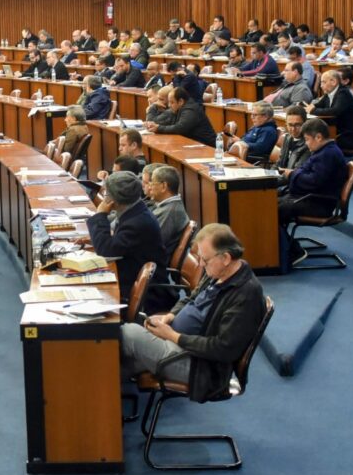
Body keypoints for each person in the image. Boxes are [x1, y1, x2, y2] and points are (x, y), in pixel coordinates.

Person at [120, 223, 267, 403]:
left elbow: (222, 348)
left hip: (200, 367)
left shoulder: (246, 294)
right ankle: (99, 414)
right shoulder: (218, 272)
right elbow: (191, 298)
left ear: (226, 258)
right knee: (116, 360)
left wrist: (174, 336)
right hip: (180, 344)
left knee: (127, 333)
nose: (202, 265)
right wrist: (170, 316)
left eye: (205, 260)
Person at [85, 172, 174, 312]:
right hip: (130, 274)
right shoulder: (135, 211)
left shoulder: (137, 223)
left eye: (107, 194)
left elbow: (106, 251)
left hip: (146, 295)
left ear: (115, 201)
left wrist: (100, 215)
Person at [278, 118, 348, 227]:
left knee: (276, 209)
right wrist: (295, 173)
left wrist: (292, 174)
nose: (306, 143)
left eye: (307, 139)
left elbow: (314, 181)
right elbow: (304, 170)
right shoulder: (323, 150)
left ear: (319, 137)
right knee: (272, 202)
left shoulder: (327, 154)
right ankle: (282, 242)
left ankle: (283, 243)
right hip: (310, 198)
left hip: (319, 203)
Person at [306, 70, 353, 152]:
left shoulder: (343, 93)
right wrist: (309, 107)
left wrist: (313, 110)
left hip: (349, 136)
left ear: (333, 82)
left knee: (316, 140)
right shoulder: (329, 93)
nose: (320, 86)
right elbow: (318, 105)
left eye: (323, 82)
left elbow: (334, 111)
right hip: (337, 132)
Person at [144, 88, 216, 147]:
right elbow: (156, 121)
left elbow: (180, 128)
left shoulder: (190, 110)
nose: (169, 105)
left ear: (181, 101)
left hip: (207, 146)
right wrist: (154, 124)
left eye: (172, 102)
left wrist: (159, 128)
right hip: (194, 145)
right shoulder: (177, 109)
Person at [148, 166, 189, 253]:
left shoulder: (170, 212)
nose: (149, 187)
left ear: (164, 186)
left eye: (152, 183)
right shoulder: (169, 206)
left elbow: (153, 244)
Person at [274, 106, 311, 185]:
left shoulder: (309, 145)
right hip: (281, 181)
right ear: (285, 124)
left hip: (292, 186)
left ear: (305, 123)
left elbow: (295, 174)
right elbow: (279, 164)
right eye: (290, 125)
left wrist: (270, 182)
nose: (293, 129)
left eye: (297, 125)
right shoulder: (287, 138)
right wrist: (267, 175)